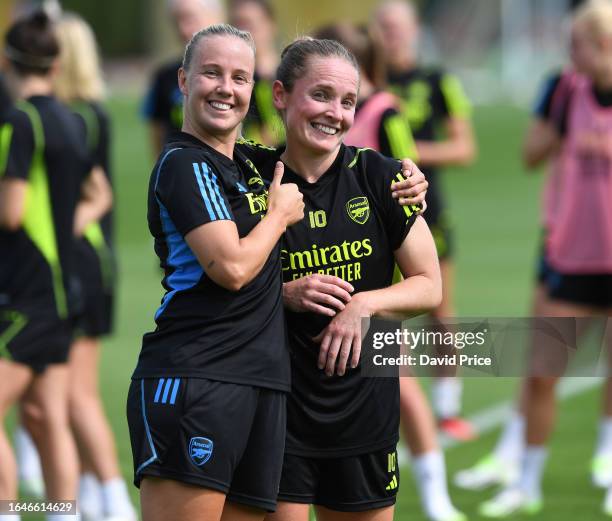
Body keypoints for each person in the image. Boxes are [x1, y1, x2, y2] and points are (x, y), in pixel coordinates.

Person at [240, 37, 441, 521]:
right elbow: (221, 274)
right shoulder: (246, 179)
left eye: (348, 101)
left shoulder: (383, 178)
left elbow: (429, 284)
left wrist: (363, 306)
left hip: (364, 416)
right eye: (321, 95)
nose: (335, 112)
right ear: (281, 95)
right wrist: (281, 293)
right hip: (277, 416)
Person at [127, 24, 306, 521]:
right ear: (183, 81)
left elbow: (330, 167)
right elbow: (229, 268)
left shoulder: (249, 164)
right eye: (211, 73)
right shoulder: (184, 162)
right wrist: (277, 217)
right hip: (194, 379)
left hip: (261, 383)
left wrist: (399, 172)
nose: (226, 88)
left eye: (240, 77)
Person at [315, 22, 465, 521]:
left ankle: (434, 489)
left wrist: (412, 198)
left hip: (389, 259)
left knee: (397, 374)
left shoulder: (385, 111)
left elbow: (409, 172)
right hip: (344, 258)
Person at [474, 1, 612, 516]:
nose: (566, 54)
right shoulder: (564, 91)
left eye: (574, 43)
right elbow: (532, 155)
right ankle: (526, 481)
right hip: (573, 255)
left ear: (599, 44)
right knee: (541, 371)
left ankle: (607, 458)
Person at [0, 10, 111, 521]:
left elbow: (11, 211)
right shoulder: (70, 119)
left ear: (7, 61)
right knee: (47, 417)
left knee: (43, 416)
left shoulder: (19, 120)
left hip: (25, 293)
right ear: (55, 61)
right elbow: (100, 193)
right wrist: (65, 225)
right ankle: (61, 514)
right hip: (64, 292)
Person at [373, 0, 477, 441]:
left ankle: (448, 408)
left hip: (425, 210)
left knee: (439, 310)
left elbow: (464, 148)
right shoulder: (367, 83)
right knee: (383, 317)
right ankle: (397, 403)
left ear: (415, 30)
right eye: (383, 27)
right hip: (374, 213)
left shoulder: (436, 81)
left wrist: (407, 156)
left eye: (398, 27)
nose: (391, 35)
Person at [142, 0, 225, 157]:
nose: (183, 29)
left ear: (215, 17)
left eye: (190, 19)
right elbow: (157, 135)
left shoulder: (242, 75)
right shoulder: (164, 77)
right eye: (176, 21)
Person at [229, 0, 284, 146]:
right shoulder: (228, 83)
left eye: (249, 24)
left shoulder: (292, 75)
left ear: (270, 25)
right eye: (236, 26)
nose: (243, 34)